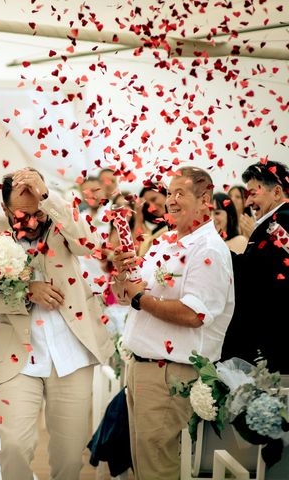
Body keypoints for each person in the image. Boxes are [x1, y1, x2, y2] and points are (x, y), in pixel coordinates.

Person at [0, 168, 113, 480]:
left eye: (37, 210)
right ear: (6, 209)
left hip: (72, 356)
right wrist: (25, 292)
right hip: (19, 359)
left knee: (68, 460)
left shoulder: (60, 221)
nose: (33, 220)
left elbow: (89, 243)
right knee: (13, 447)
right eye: (23, 215)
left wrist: (49, 198)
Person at [111, 167, 235, 480]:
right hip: (142, 367)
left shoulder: (208, 250)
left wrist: (141, 299)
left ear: (205, 200)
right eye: (169, 193)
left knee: (157, 468)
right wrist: (122, 272)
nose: (171, 200)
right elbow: (127, 295)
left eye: (180, 193)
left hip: (170, 373)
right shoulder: (164, 241)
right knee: (143, 462)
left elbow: (195, 315)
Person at [221, 161, 289, 375]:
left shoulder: (280, 224)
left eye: (253, 193)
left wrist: (216, 251)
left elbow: (253, 275)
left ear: (276, 192)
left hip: (274, 339)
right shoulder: (271, 224)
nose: (248, 201)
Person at [133, 181, 168, 257]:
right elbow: (138, 255)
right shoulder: (155, 233)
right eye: (147, 205)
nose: (151, 208)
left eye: (154, 199)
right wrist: (138, 216)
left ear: (165, 194)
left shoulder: (183, 221)